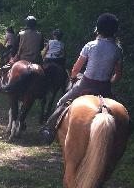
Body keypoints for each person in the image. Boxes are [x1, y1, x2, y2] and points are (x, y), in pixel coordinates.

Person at [40, 13, 122, 141]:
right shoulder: (117, 49)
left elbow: (76, 69)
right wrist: (109, 82)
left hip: (86, 84)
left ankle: (49, 130)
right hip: (105, 88)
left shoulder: (90, 45)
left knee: (61, 102)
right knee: (121, 113)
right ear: (115, 31)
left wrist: (73, 78)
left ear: (98, 29)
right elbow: (118, 75)